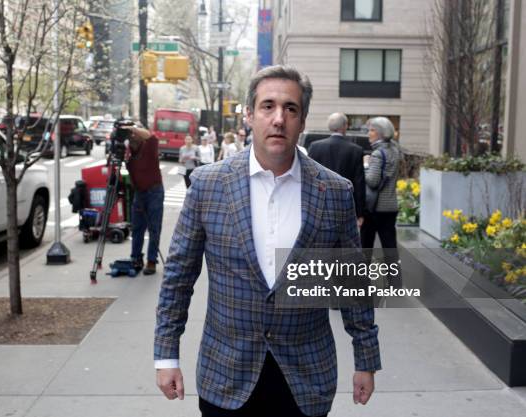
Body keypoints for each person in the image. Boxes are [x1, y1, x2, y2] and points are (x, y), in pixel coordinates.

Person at [154, 65, 381, 417]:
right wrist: (166, 354)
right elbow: (178, 278)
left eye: (290, 109)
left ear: (302, 120)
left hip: (305, 379)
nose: (279, 119)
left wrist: (365, 358)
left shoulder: (335, 191)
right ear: (249, 115)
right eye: (268, 106)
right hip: (226, 375)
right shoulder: (208, 184)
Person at [308, 112, 365, 226]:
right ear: (345, 126)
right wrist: (360, 214)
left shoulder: (315, 147)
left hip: (319, 206)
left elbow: (309, 177)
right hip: (346, 207)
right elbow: (359, 184)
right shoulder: (356, 150)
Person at [123, 124, 164, 276]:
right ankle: (136, 258)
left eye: (134, 136)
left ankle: (151, 260)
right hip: (139, 193)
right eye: (130, 136)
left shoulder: (149, 146)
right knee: (137, 227)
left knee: (154, 227)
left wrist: (132, 128)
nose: (131, 138)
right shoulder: (128, 153)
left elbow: (151, 136)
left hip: (154, 191)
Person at [361, 116, 402, 265]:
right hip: (390, 206)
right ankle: (395, 285)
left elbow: (372, 181)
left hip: (375, 208)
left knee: (366, 248)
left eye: (372, 130)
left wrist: (366, 164)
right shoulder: (395, 150)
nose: (368, 134)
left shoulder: (378, 154)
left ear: (380, 133)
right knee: (390, 248)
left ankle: (362, 285)